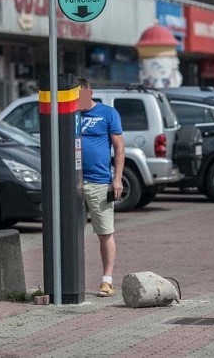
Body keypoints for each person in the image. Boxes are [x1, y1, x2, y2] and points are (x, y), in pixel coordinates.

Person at [78, 77, 125, 297]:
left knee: (104, 232)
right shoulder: (69, 115)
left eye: (82, 95)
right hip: (73, 183)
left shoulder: (107, 113)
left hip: (98, 181)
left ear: (90, 92)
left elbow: (119, 147)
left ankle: (107, 280)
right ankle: (70, 279)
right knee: (70, 232)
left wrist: (117, 178)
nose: (79, 100)